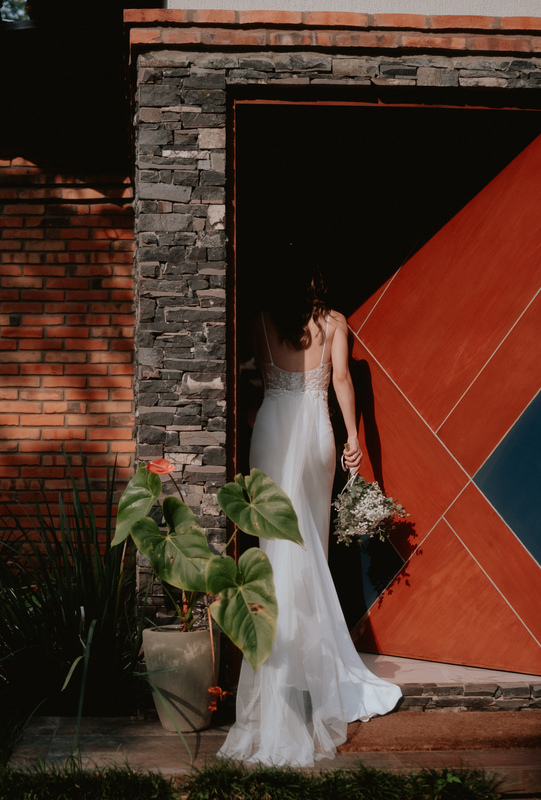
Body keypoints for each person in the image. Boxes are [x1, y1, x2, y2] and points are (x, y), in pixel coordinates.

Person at [217, 265, 401, 766]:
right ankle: (305, 662)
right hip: (318, 429)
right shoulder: (337, 323)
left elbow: (251, 374)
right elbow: (340, 380)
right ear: (320, 285)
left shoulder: (259, 321)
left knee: (271, 547)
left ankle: (278, 660)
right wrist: (354, 439)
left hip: (273, 429)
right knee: (308, 546)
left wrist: (259, 409)